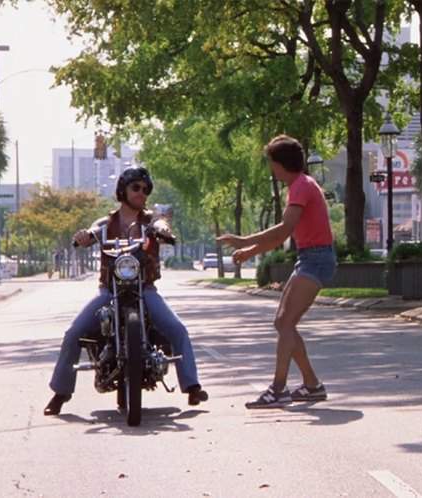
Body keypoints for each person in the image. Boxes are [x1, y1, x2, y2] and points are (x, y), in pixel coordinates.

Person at [44, 166, 209, 415]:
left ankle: (192, 386)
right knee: (74, 332)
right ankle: (60, 391)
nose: (141, 193)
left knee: (177, 329)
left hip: (145, 289)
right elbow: (90, 232)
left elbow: (161, 222)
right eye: (136, 188)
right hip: (109, 291)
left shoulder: (150, 220)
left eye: (145, 189)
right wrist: (83, 236)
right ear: (123, 190)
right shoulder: (105, 223)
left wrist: (164, 230)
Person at [218, 135, 335, 409]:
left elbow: (284, 229)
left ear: (281, 164)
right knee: (282, 323)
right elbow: (282, 235)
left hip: (316, 259)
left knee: (285, 324)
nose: (271, 168)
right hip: (309, 257)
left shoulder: (301, 187)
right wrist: (249, 253)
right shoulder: (299, 186)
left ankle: (279, 388)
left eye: (271, 163)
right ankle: (312, 385)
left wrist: (245, 241)